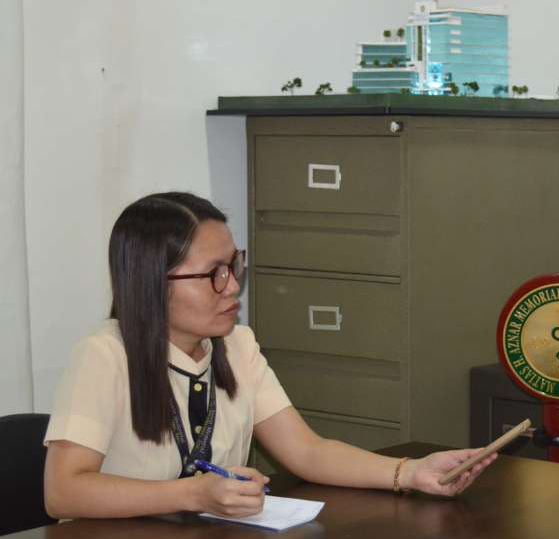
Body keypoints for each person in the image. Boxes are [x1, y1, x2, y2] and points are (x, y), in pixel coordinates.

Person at [44, 192, 495, 519]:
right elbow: (63, 493)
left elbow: (307, 451)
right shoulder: (105, 355)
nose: (232, 287)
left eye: (233, 265)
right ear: (152, 282)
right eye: (213, 274)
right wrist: (194, 495)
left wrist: (410, 472)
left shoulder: (238, 346)